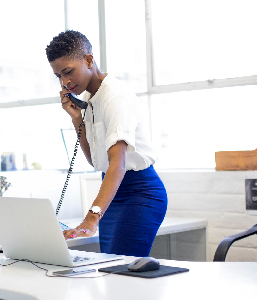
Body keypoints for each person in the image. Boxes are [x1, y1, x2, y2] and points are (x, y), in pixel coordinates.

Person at [45, 30, 168, 257]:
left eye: (68, 72)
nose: (65, 82)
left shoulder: (114, 97)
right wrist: (76, 119)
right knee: (111, 273)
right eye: (59, 76)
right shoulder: (91, 98)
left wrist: (91, 218)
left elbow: (117, 164)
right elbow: (95, 160)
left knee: (120, 274)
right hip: (112, 194)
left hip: (139, 192)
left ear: (89, 60)